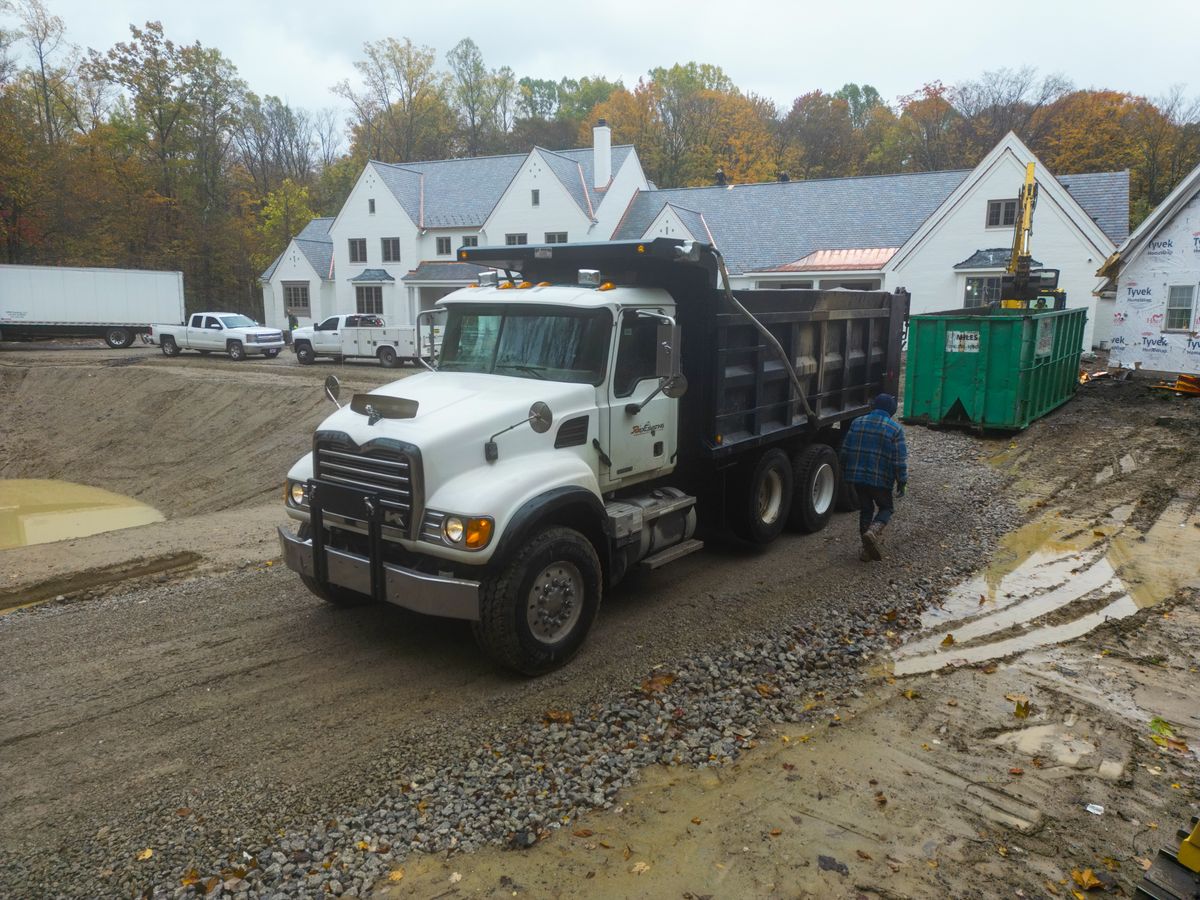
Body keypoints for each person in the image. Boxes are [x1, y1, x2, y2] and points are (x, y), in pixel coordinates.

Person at [839, 393, 908, 562]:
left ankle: (866, 551)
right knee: (886, 508)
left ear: (874, 406)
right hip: (881, 479)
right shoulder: (895, 429)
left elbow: (845, 450)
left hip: (857, 478)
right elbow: (899, 460)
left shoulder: (857, 422)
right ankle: (873, 531)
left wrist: (843, 469)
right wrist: (902, 481)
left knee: (866, 509)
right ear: (891, 410)